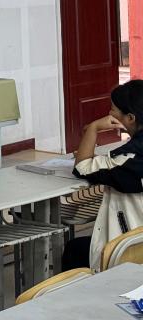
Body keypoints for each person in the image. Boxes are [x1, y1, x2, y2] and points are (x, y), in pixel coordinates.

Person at [62, 80, 143, 271]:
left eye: (113, 109)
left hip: (130, 248)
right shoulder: (128, 157)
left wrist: (93, 128)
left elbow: (82, 166)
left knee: (74, 250)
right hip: (137, 240)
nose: (109, 113)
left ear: (130, 118)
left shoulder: (127, 159)